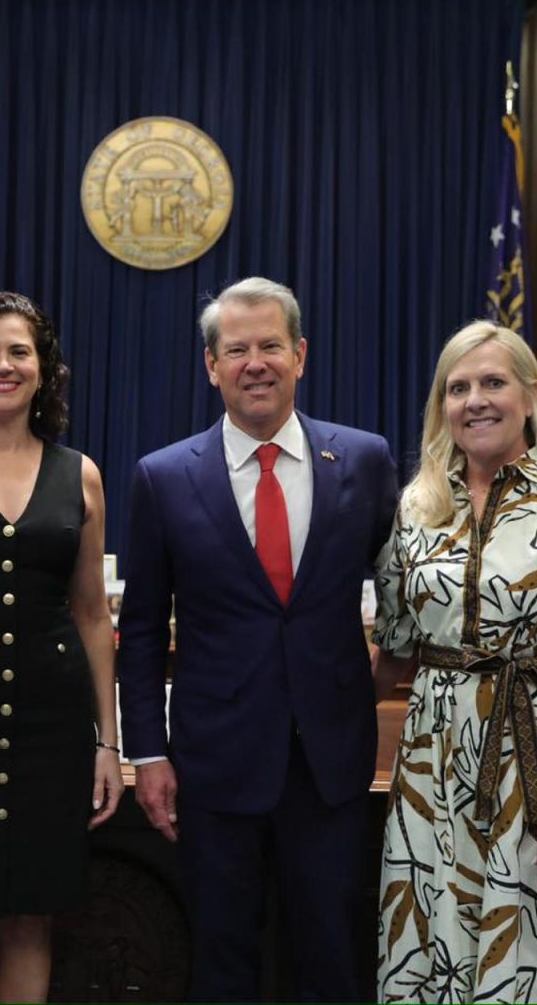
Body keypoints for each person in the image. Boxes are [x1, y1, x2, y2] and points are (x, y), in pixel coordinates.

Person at [116, 277, 398, 1001]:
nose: (255, 362)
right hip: (215, 764)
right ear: (211, 366)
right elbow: (142, 630)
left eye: (271, 345)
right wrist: (147, 753)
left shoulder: (364, 462)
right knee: (222, 955)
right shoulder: (165, 477)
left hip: (330, 763)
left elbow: (404, 590)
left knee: (331, 952)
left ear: (300, 354)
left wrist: (383, 667)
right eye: (236, 349)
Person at [370, 320, 537, 1003]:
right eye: (457, 388)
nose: (475, 400)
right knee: (432, 940)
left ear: (529, 395)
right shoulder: (417, 508)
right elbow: (394, 650)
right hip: (433, 768)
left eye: (492, 382)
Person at [0, 291, 124, 1003]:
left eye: (19, 352)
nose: (3, 365)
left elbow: (93, 615)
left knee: (32, 920)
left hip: (53, 724)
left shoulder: (82, 473)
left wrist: (108, 743)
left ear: (43, 371)